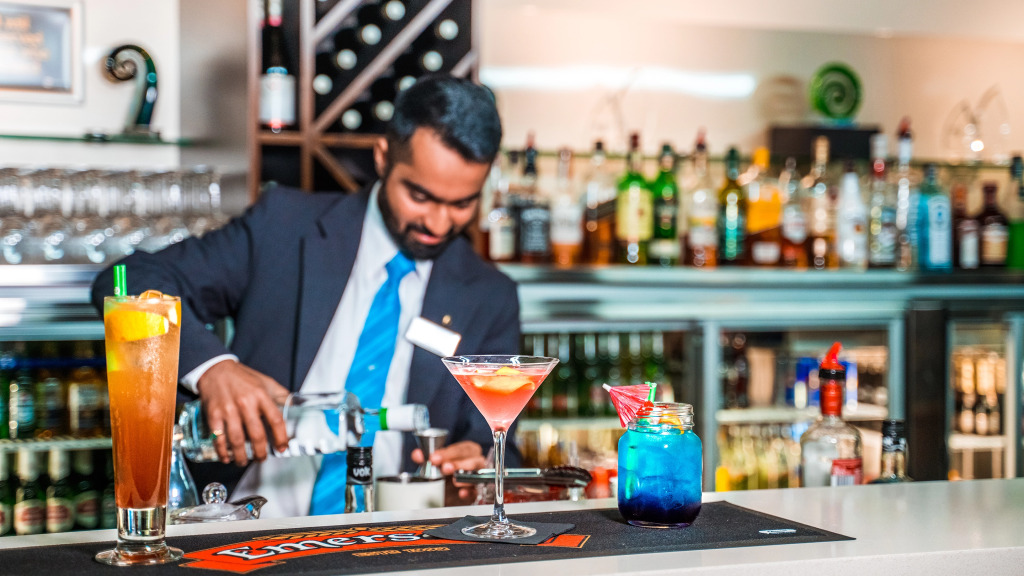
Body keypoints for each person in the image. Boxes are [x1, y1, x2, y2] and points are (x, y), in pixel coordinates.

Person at [90, 75, 520, 518]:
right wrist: (215, 370)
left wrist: (478, 470)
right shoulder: (283, 227)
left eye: (462, 203)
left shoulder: (491, 295)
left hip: (397, 536)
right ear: (382, 157)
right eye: (420, 196)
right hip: (247, 527)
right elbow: (125, 279)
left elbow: (499, 445)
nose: (438, 223)